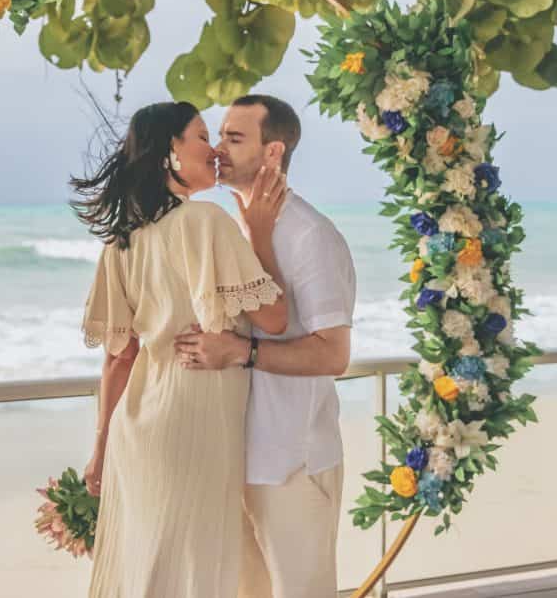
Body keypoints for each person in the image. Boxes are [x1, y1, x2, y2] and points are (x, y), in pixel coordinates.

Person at [73, 101, 290, 598]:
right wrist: (259, 234)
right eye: (200, 136)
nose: (213, 148)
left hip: (138, 427)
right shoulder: (206, 222)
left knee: (151, 568)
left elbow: (118, 357)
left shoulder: (122, 240)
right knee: (195, 571)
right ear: (171, 150)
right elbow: (275, 317)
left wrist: (101, 449)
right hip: (194, 418)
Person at [175, 95, 357, 598]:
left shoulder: (310, 236)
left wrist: (242, 352)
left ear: (273, 153)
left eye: (235, 138)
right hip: (234, 455)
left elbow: (333, 355)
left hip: (290, 463)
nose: (218, 149)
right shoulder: (234, 229)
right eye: (217, 136)